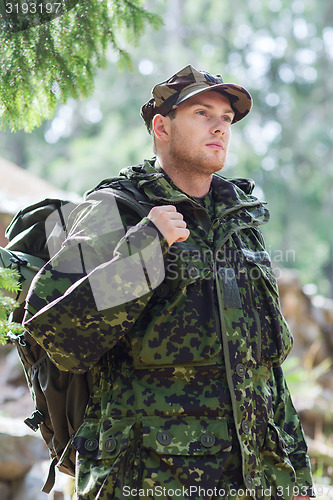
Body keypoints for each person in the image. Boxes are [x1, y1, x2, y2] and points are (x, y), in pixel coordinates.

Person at [23, 65, 314, 500]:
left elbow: (265, 370)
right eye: (202, 112)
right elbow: (60, 338)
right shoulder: (112, 212)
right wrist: (145, 249)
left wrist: (295, 479)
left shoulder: (240, 223)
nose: (220, 126)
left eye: (226, 118)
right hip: (145, 481)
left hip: (254, 483)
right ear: (161, 126)